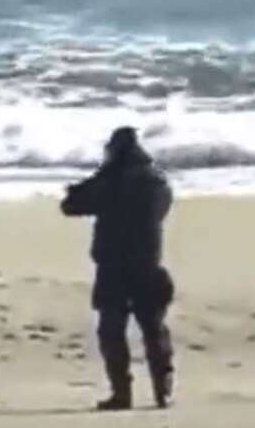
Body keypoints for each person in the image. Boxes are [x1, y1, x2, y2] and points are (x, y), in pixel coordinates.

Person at [61, 127, 175, 411]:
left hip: (113, 267)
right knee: (154, 330)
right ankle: (163, 388)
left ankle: (121, 393)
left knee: (112, 332)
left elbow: (71, 205)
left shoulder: (110, 181)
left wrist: (90, 183)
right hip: (148, 265)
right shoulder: (156, 181)